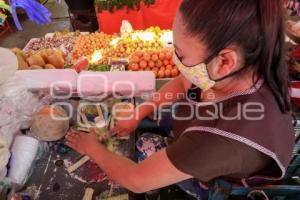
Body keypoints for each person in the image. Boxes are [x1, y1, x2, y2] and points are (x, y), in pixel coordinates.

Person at [66, 0, 295, 199]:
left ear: (225, 61)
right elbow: (184, 81)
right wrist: (142, 111)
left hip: (224, 182)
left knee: (144, 144)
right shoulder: (247, 64)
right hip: (204, 140)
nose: (177, 62)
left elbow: (137, 180)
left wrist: (92, 148)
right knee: (154, 116)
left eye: (181, 54)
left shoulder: (223, 137)